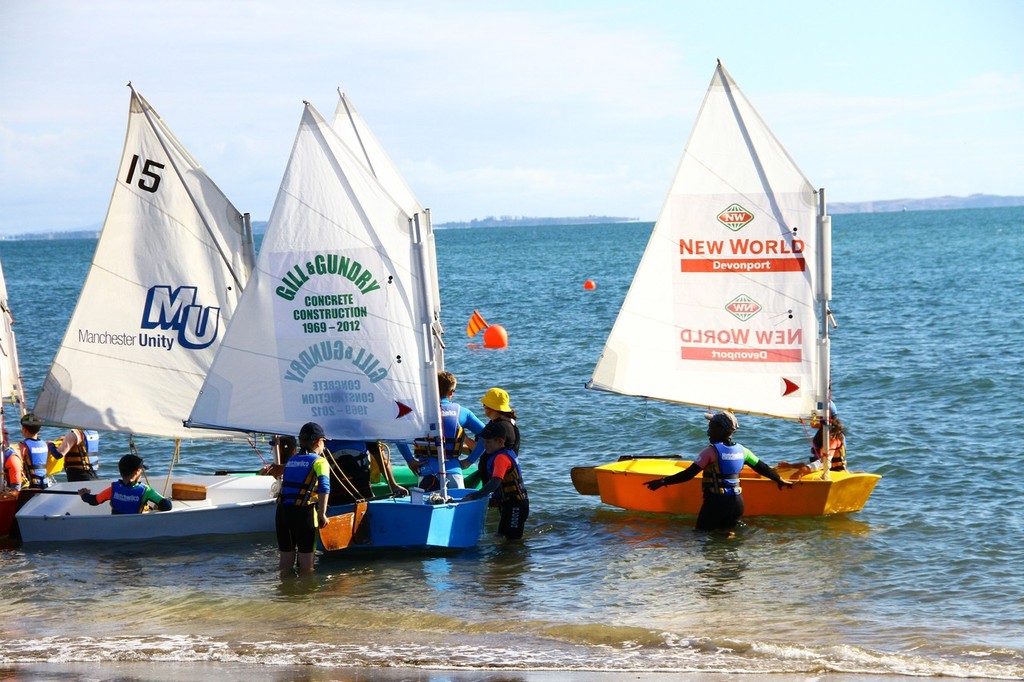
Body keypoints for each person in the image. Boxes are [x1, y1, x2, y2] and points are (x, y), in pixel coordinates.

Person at [644, 411, 793, 531]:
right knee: (727, 534)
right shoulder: (743, 451)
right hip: (737, 505)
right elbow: (763, 468)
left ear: (721, 430)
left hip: (716, 504)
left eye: (712, 427)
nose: (708, 432)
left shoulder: (710, 452)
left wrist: (663, 481)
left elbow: (688, 474)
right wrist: (778, 479)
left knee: (701, 535)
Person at [402, 371, 487, 491]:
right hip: (453, 471)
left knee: (429, 506)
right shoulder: (462, 412)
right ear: (451, 391)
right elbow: (488, 435)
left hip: (427, 470)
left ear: (432, 389)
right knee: (456, 507)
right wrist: (469, 461)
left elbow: (398, 436)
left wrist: (410, 461)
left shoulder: (417, 412)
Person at [276, 422, 331, 575]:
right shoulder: (320, 461)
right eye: (323, 442)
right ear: (318, 442)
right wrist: (322, 513)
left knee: (285, 562)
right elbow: (324, 487)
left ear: (301, 441)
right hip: (304, 513)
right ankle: (306, 596)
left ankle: (284, 593)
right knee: (307, 565)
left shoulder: (291, 461)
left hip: (282, 513)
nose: (324, 447)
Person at [462, 419, 529, 541]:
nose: (484, 445)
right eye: (483, 441)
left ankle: (514, 558)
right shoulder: (503, 453)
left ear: (500, 441)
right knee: (501, 536)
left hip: (516, 505)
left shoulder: (501, 458)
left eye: (487, 442)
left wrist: (474, 496)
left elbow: (495, 482)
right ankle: (503, 559)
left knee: (513, 540)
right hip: (508, 503)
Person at [78, 454, 172, 514]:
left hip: (117, 524)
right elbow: (167, 506)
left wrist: (84, 494)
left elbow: (93, 500)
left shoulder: (113, 489)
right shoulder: (146, 490)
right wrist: (159, 505)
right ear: (137, 472)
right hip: (138, 525)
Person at [326, 439, 407, 504]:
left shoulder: (323, 434)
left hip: (334, 490)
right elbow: (383, 461)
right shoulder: (364, 431)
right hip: (361, 489)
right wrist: (393, 485)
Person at [778, 413, 847, 480]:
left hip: (836, 473)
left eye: (814, 416)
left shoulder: (833, 436)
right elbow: (814, 460)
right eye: (812, 416)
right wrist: (791, 466)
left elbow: (826, 461)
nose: (812, 419)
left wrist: (802, 471)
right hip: (824, 470)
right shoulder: (823, 432)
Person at [465, 387, 520, 468]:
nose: (483, 407)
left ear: (490, 408)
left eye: (484, 405)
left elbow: (480, 449)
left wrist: (463, 436)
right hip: (507, 473)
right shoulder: (508, 422)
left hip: (498, 477)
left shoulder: (496, 427)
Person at [18, 414, 53, 489]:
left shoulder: (23, 446)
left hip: (32, 485)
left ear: (24, 429)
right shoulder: (44, 444)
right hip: (45, 483)